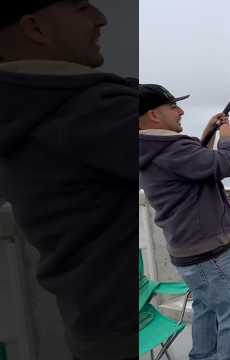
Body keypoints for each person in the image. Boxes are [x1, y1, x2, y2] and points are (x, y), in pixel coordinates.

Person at [0, 1, 138, 359]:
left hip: (92, 327)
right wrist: (223, 140)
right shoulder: (91, 110)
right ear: (35, 28)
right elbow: (181, 163)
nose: (101, 19)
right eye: (81, 8)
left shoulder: (21, 109)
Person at [139, 84, 230, 360]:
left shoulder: (149, 148)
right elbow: (225, 165)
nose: (181, 111)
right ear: (153, 114)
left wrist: (207, 135)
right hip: (210, 252)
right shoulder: (172, 148)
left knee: (206, 306)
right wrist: (226, 138)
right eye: (173, 106)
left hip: (186, 250)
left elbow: (194, 166)